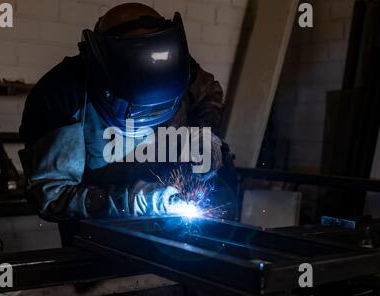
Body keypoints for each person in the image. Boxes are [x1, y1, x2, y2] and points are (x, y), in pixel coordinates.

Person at [19, 3, 226, 245]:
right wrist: (130, 201)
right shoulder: (63, 94)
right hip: (98, 243)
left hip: (172, 235)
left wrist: (204, 136)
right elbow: (52, 196)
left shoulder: (177, 64)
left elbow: (208, 92)